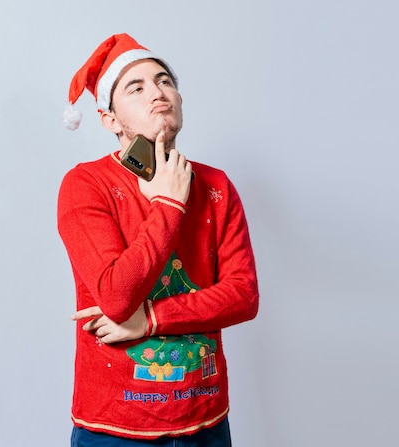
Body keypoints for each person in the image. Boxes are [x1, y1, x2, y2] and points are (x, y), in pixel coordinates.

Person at [57, 33, 259, 447]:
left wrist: (151, 319)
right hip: (115, 428)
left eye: (165, 81)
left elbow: (243, 296)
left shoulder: (216, 185)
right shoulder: (86, 184)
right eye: (136, 87)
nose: (158, 92)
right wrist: (168, 203)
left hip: (206, 420)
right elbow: (116, 296)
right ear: (110, 119)